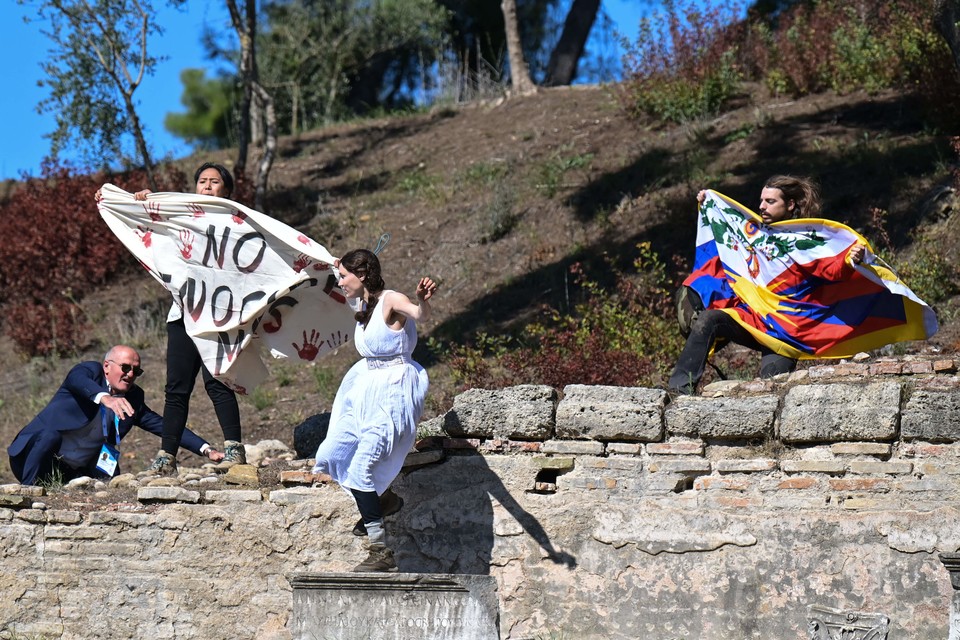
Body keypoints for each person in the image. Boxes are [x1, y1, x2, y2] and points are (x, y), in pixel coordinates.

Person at [668, 175, 866, 395]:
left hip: (786, 330)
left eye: (770, 202)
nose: (762, 206)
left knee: (769, 391)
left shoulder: (806, 239)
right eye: (761, 201)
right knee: (709, 320)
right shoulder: (752, 233)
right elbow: (723, 233)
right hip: (753, 318)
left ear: (790, 205)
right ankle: (678, 392)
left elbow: (831, 268)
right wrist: (708, 203)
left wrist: (850, 260)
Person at [313, 249, 438, 572]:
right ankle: (383, 501)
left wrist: (422, 299)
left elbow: (420, 315)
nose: (340, 282)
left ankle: (380, 549)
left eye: (343, 276)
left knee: (361, 468)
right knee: (332, 453)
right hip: (363, 390)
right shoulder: (362, 306)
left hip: (392, 392)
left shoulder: (391, 300)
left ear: (363, 274)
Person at [133, 163, 248, 475]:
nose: (207, 187)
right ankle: (167, 455)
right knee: (177, 388)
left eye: (214, 182)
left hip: (219, 317)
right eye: (202, 181)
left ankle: (235, 449)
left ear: (227, 190)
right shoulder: (181, 217)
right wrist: (145, 202)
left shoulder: (240, 223)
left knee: (218, 383)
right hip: (182, 315)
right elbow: (150, 231)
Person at [7, 345, 223, 486]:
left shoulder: (133, 399)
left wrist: (206, 449)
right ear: (107, 366)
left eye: (135, 371)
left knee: (111, 466)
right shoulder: (89, 372)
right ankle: (27, 492)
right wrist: (104, 398)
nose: (130, 374)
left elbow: (164, 425)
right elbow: (77, 380)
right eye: (125, 367)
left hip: (72, 470)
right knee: (49, 436)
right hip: (32, 457)